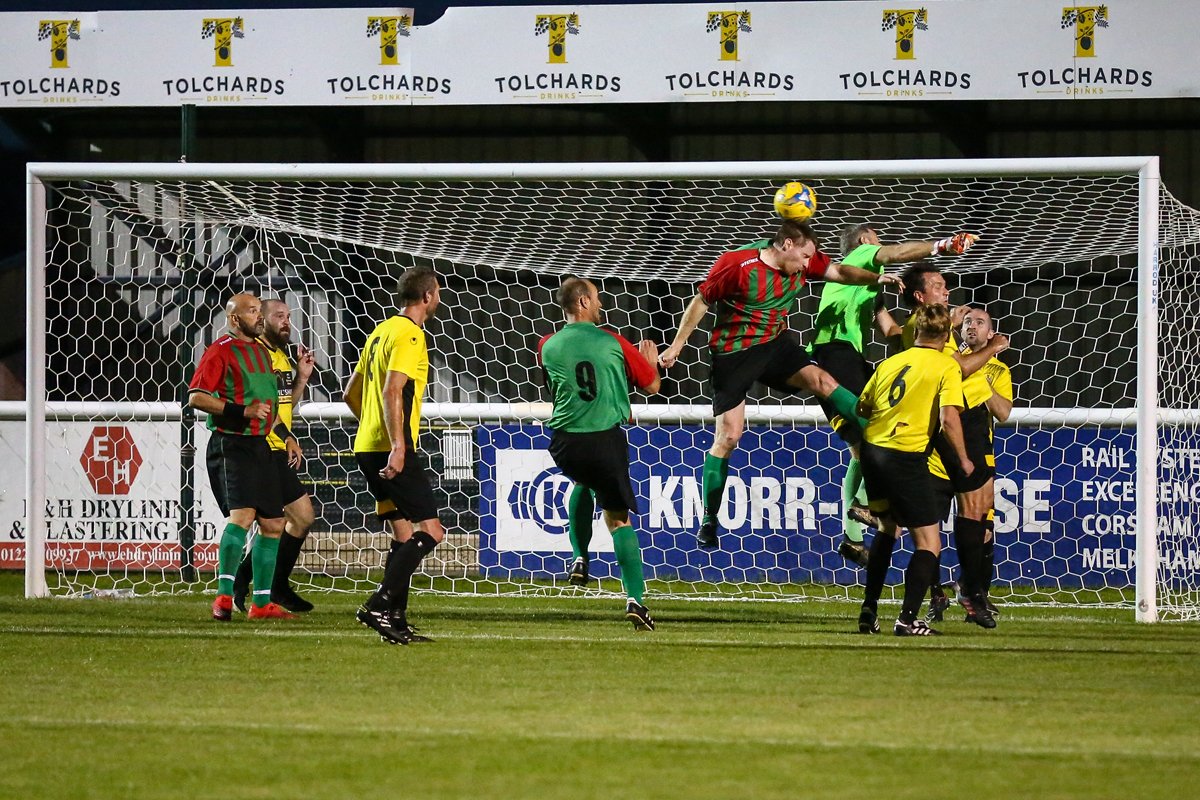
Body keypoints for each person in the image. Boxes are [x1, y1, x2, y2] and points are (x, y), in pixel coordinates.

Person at [658, 219, 903, 551]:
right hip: (734, 352)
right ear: (787, 245)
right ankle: (709, 519)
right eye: (804, 257)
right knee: (729, 436)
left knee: (822, 380)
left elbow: (840, 271)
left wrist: (877, 278)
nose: (807, 265)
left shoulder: (804, 259)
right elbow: (701, 301)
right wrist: (677, 346)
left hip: (774, 343)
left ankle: (878, 432)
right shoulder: (737, 264)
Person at [807, 223, 978, 567]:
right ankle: (865, 505)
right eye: (877, 239)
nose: (881, 245)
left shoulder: (865, 289)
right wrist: (943, 244)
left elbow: (891, 332)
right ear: (865, 240)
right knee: (884, 428)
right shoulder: (862, 255)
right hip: (838, 354)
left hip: (836, 356)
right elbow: (897, 253)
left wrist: (906, 319)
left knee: (860, 448)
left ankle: (852, 537)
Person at [886, 264, 1009, 624]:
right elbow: (961, 369)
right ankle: (953, 592)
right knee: (949, 520)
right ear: (920, 296)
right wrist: (995, 346)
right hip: (953, 422)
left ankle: (967, 589)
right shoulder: (930, 330)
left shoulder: (930, 327)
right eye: (939, 286)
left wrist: (876, 301)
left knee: (973, 513)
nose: (947, 291)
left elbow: (890, 331)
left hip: (961, 421)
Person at [538, 277, 662, 630]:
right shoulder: (613, 341)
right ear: (582, 302)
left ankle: (579, 557)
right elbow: (652, 386)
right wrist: (649, 362)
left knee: (583, 480)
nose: (601, 304)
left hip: (564, 442)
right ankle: (636, 600)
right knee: (619, 520)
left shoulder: (546, 345)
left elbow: (557, 388)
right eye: (596, 298)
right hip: (604, 440)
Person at [855, 303, 973, 636]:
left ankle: (869, 609)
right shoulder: (946, 366)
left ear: (916, 330)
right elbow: (949, 418)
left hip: (872, 452)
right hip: (904, 455)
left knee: (887, 528)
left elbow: (863, 406)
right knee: (929, 544)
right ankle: (907, 620)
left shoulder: (891, 362)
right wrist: (963, 459)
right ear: (947, 334)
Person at [343, 266, 444, 645]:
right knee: (431, 531)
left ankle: (395, 620)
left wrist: (372, 425)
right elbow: (392, 389)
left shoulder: (380, 331)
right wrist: (398, 445)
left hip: (367, 445)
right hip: (390, 448)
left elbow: (350, 393)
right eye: (437, 292)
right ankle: (378, 604)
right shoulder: (411, 334)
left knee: (403, 533)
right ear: (427, 296)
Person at [188, 293, 294, 621]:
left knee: (274, 523)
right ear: (235, 319)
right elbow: (197, 397)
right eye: (252, 311)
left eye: (259, 311)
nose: (259, 316)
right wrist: (241, 411)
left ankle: (261, 605)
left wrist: (286, 436)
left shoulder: (262, 352)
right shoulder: (220, 350)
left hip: (261, 445)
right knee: (243, 517)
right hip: (231, 444)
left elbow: (266, 407)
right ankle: (223, 597)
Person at [231, 299, 317, 614]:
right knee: (286, 520)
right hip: (262, 447)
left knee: (292, 520)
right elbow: (263, 409)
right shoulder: (256, 356)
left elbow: (283, 404)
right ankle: (257, 585)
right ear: (262, 320)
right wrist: (287, 436)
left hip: (278, 447)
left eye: (289, 316)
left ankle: (261, 585)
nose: (286, 322)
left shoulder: (280, 356)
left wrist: (302, 378)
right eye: (279, 316)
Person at [932, 306, 1013, 623]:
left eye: (980, 322)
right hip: (940, 450)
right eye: (967, 321)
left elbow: (1003, 412)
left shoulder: (998, 370)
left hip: (979, 451)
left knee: (983, 529)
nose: (972, 326)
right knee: (928, 527)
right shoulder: (948, 356)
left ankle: (976, 592)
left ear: (990, 333)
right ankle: (935, 594)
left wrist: (981, 381)